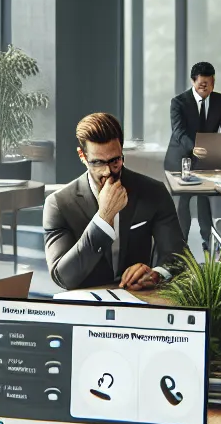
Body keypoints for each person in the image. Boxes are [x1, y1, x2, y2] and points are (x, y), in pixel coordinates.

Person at [45, 112, 187, 291]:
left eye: (115, 161)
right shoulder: (58, 204)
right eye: (97, 163)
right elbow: (63, 277)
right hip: (86, 304)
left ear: (121, 151)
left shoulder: (153, 192)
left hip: (139, 297)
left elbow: (179, 258)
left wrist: (157, 273)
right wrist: (103, 218)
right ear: (82, 155)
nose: (107, 172)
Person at [166, 61, 221, 255]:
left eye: (209, 83)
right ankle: (181, 246)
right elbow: (178, 132)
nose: (205, 88)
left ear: (214, 82)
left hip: (206, 158)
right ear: (193, 81)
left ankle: (208, 242)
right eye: (201, 84)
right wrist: (194, 147)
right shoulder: (178, 102)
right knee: (184, 200)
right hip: (181, 157)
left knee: (205, 198)